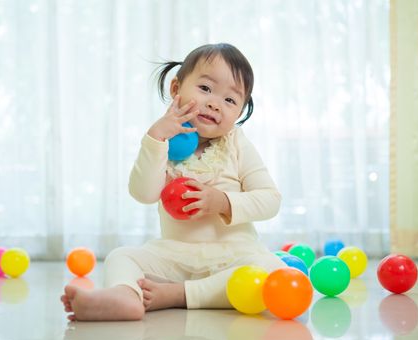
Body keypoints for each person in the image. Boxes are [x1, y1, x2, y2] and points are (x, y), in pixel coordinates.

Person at [61, 43, 285, 321]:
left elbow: (270, 199)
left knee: (269, 269)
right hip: (175, 255)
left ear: (239, 113)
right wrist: (155, 139)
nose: (215, 103)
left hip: (233, 255)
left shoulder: (236, 144)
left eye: (230, 100)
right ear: (176, 89)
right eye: (205, 89)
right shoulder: (163, 144)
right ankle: (126, 295)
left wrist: (222, 201)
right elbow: (143, 193)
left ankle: (181, 294)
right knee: (122, 256)